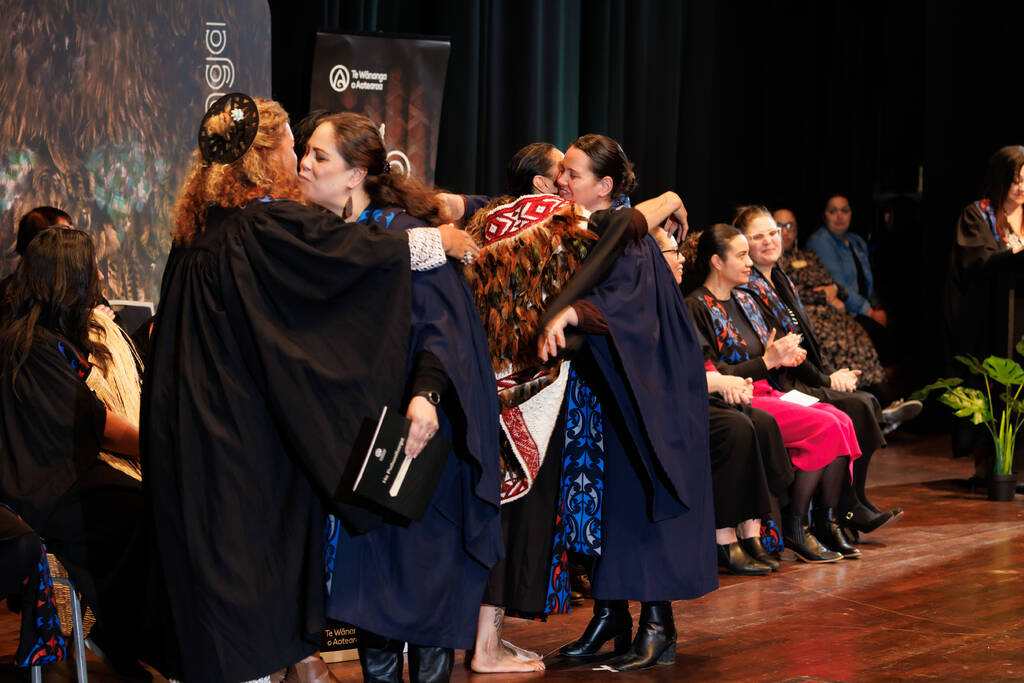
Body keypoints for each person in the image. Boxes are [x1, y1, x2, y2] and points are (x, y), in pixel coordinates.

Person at [142, 93, 477, 683]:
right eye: (293, 148)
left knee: (208, 582)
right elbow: (344, 255)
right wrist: (437, 243)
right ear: (264, 157)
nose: (299, 160)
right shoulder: (262, 227)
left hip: (185, 431)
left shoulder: (201, 230)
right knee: (240, 586)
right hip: (235, 441)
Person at [297, 111, 503, 682]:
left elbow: (441, 328)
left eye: (319, 155)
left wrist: (427, 397)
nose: (304, 165)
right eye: (305, 152)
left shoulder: (405, 237)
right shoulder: (327, 237)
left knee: (424, 590)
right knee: (371, 601)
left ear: (355, 174)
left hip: (414, 442)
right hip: (356, 443)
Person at [538, 134, 717, 671]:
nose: (563, 180)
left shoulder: (627, 236)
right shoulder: (589, 227)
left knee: (639, 491)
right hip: (604, 380)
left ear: (606, 186)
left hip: (645, 383)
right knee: (604, 503)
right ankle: (611, 615)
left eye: (573, 173)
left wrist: (577, 316)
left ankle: (658, 624)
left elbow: (626, 309)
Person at [0, 228, 173, 679]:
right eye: (92, 267)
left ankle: (125, 636)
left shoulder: (33, 338)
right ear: (68, 277)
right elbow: (99, 427)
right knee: (147, 513)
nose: (100, 274)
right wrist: (169, 447)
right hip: (50, 489)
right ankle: (134, 639)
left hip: (55, 479)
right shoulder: (35, 346)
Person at [684, 224, 863, 563]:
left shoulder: (746, 300)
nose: (749, 262)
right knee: (824, 427)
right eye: (740, 256)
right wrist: (768, 361)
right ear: (716, 262)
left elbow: (769, 355)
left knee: (841, 420)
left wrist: (784, 356)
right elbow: (716, 375)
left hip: (771, 390)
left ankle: (823, 521)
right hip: (742, 395)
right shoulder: (697, 306)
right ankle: (796, 525)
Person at [733, 206, 903, 533]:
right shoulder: (749, 287)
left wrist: (830, 376)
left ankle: (855, 502)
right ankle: (845, 509)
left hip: (797, 377)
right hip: (781, 385)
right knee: (857, 406)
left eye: (773, 232)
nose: (770, 240)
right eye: (759, 236)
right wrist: (828, 380)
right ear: (744, 244)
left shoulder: (780, 277)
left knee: (863, 402)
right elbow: (786, 353)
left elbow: (805, 343)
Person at [654, 227, 792, 575]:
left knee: (757, 422)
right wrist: (725, 381)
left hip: (706, 388)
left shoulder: (740, 300)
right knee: (737, 427)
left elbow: (703, 366)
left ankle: (751, 528)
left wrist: (724, 382)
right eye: (673, 253)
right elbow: (685, 369)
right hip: (668, 400)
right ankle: (724, 537)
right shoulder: (689, 303)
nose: (682, 257)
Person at [945, 145, 1024, 464]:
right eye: (1016, 180)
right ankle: (996, 465)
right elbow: (978, 262)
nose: (1021, 188)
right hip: (988, 324)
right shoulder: (978, 213)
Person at [805, 195, 892, 363]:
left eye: (844, 210)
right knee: (884, 342)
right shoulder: (820, 241)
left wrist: (877, 306)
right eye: (833, 211)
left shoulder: (856, 240)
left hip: (864, 309)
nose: (839, 216)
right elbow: (840, 286)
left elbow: (868, 281)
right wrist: (871, 312)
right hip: (844, 312)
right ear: (825, 216)